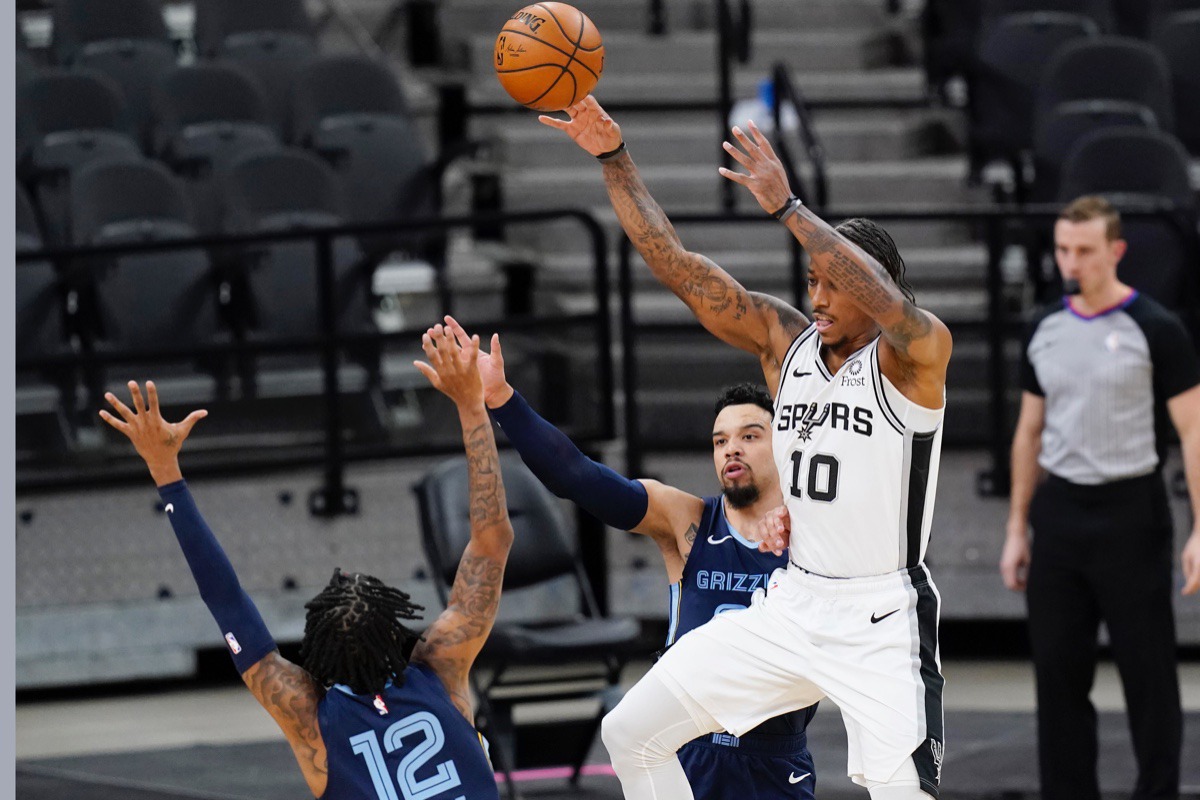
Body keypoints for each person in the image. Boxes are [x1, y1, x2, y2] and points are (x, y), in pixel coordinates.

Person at [539, 96, 954, 799]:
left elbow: (883, 298)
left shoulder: (915, 356)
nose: (816, 295)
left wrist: (789, 207)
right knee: (632, 734)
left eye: (832, 282)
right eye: (812, 281)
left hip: (882, 616)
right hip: (793, 604)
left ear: (873, 285)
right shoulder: (785, 346)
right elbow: (676, 265)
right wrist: (615, 159)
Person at [97, 323, 513, 800]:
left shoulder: (310, 718)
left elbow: (227, 603)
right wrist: (470, 405)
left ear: (314, 656)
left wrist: (166, 475)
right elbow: (491, 538)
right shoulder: (442, 665)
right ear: (398, 633)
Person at [436, 315, 818, 798]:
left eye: (749, 435)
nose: (730, 450)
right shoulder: (686, 520)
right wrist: (502, 400)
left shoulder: (813, 533)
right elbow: (578, 476)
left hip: (772, 755)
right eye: (720, 441)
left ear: (784, 442)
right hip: (687, 746)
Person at [1000, 195, 1200, 800]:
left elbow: (1193, 430)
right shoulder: (1044, 328)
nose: (1071, 262)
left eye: (1083, 251)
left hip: (1132, 515)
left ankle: (1158, 790)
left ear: (1115, 251)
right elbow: (1029, 431)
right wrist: (1017, 528)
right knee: (1059, 676)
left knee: (1148, 675)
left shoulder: (1157, 329)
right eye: (1063, 249)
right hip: (1060, 517)